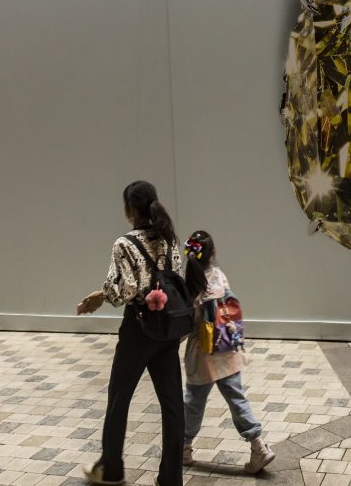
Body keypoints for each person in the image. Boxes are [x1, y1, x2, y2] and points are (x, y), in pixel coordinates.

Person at [77, 181, 206, 486]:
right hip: (168, 330)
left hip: (138, 330)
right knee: (172, 404)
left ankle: (111, 469)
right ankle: (171, 477)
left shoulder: (125, 244)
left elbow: (126, 291)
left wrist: (100, 294)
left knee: (119, 398)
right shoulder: (169, 240)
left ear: (129, 210)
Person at [180, 229, 275, 474]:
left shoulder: (189, 284)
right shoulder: (219, 276)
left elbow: (186, 324)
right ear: (213, 254)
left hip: (203, 355)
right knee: (236, 398)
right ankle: (258, 446)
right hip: (228, 349)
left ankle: (184, 448)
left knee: (193, 403)